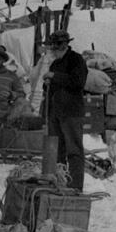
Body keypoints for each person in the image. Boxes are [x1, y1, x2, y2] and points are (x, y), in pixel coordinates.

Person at [42, 30, 88, 191]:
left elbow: (78, 82)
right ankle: (60, 183)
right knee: (57, 151)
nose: (56, 48)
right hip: (56, 113)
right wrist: (47, 83)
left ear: (66, 44)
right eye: (54, 45)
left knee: (74, 150)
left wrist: (54, 76)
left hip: (71, 113)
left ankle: (75, 187)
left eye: (59, 44)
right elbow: (49, 89)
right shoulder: (55, 63)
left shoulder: (76, 60)